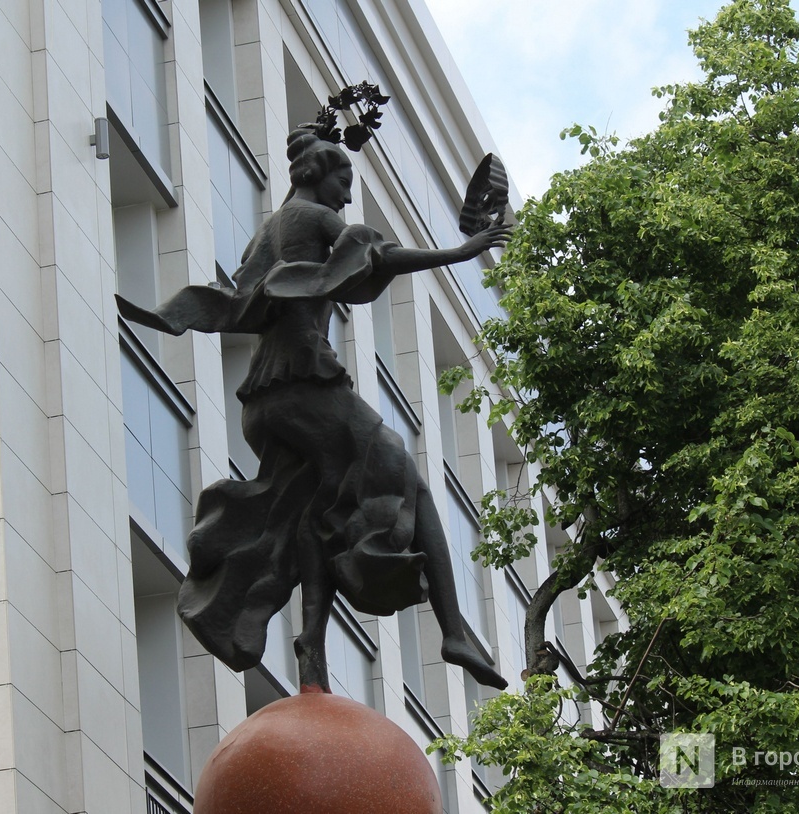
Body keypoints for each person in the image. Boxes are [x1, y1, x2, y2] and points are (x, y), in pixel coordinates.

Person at [117, 126, 512, 692]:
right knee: (405, 472)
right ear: (316, 174)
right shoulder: (313, 217)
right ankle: (454, 631)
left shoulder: (270, 232)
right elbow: (376, 254)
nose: (346, 196)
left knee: (311, 513)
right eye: (343, 180)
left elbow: (250, 295)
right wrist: (463, 251)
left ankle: (311, 650)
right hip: (305, 384)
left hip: (264, 405)